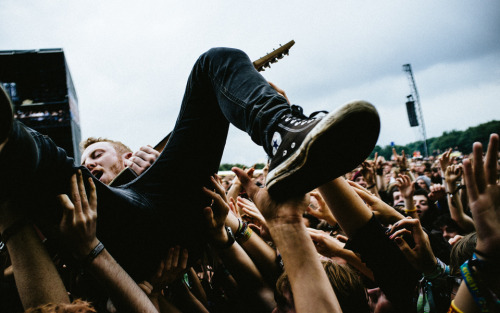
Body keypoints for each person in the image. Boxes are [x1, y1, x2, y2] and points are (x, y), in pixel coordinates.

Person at [0, 47, 380, 281]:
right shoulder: (86, 195)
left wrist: (163, 170)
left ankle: (283, 133)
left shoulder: (159, 172)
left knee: (213, 61)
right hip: (116, 233)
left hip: (172, 217)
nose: (89, 165)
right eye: (84, 161)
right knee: (44, 155)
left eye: (97, 155)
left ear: (129, 155)